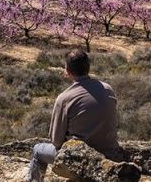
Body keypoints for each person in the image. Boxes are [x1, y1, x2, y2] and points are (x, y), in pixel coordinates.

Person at [26, 49, 123, 182]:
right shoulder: (107, 88)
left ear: (67, 71)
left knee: (37, 150)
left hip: (80, 157)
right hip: (111, 151)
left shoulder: (65, 98)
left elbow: (56, 141)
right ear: (88, 67)